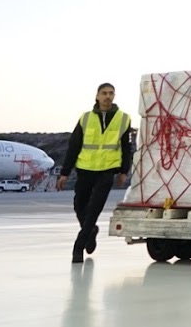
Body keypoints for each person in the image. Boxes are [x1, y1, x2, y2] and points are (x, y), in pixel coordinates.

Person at [57, 82, 133, 263]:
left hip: (106, 171)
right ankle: (91, 231)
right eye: (104, 93)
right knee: (79, 206)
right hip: (85, 169)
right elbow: (73, 146)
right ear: (97, 96)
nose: (108, 96)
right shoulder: (85, 118)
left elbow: (126, 147)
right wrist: (65, 172)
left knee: (93, 210)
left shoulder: (123, 119)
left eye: (111, 93)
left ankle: (78, 247)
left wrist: (124, 171)